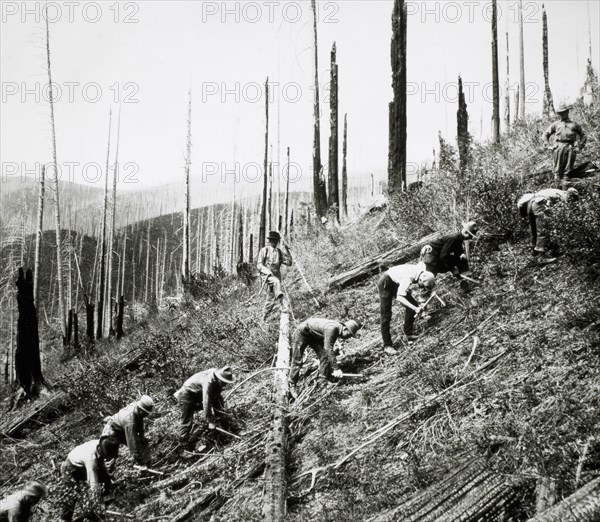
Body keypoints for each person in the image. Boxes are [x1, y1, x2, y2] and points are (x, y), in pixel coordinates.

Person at [288, 318, 360, 396]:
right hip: (302, 333)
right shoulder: (332, 329)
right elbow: (329, 349)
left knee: (324, 356)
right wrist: (336, 369)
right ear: (345, 329)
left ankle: (322, 379)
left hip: (314, 336)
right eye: (349, 334)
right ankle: (292, 384)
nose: (348, 337)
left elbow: (328, 350)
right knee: (297, 359)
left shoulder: (337, 330)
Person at [377, 262, 435, 355]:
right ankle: (387, 346)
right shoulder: (408, 279)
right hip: (386, 283)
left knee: (412, 305)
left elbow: (422, 262)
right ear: (420, 280)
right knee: (386, 315)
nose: (420, 288)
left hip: (395, 281)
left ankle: (407, 335)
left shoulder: (421, 270)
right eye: (422, 286)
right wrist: (415, 308)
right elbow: (399, 297)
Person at [59, 436, 120, 522]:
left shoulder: (104, 443)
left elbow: (103, 464)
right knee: (72, 493)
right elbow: (93, 484)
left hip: (83, 464)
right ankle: (65, 518)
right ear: (102, 451)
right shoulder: (91, 458)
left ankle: (108, 502)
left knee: (104, 477)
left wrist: (108, 475)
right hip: (70, 468)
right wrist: (96, 502)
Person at [174, 366, 235, 449]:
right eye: (224, 382)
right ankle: (183, 447)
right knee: (187, 421)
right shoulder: (208, 382)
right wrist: (210, 420)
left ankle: (221, 426)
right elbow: (206, 402)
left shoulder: (217, 376)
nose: (225, 384)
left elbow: (216, 397)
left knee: (218, 399)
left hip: (197, 393)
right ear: (219, 378)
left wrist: (219, 415)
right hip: (186, 395)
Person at [517, 187, 579, 264]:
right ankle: (541, 257)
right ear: (571, 195)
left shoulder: (558, 191)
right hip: (539, 203)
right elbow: (562, 216)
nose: (572, 202)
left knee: (535, 229)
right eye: (573, 199)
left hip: (531, 204)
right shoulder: (564, 196)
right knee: (543, 228)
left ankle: (534, 252)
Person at [101, 395, 153, 469]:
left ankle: (148, 466)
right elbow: (133, 445)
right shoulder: (130, 421)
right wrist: (141, 463)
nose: (147, 415)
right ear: (140, 410)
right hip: (111, 430)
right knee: (110, 455)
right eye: (146, 413)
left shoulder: (138, 408)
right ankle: (106, 477)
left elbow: (140, 422)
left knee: (143, 442)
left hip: (121, 428)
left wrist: (142, 437)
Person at [543, 102, 587, 188]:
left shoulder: (574, 124)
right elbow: (545, 134)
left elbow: (583, 135)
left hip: (570, 148)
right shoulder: (556, 124)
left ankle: (566, 192)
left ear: (567, 112)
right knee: (557, 172)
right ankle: (556, 191)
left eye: (564, 112)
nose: (562, 114)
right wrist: (549, 146)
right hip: (558, 147)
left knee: (567, 172)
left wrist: (579, 147)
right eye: (560, 113)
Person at [257, 230, 292, 321]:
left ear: (277, 241)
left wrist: (287, 251)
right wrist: (267, 271)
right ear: (269, 241)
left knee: (270, 297)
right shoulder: (264, 250)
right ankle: (281, 303)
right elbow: (259, 265)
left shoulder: (279, 252)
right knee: (276, 285)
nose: (274, 242)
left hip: (277, 276)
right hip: (267, 276)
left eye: (276, 240)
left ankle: (264, 318)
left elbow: (289, 263)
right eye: (272, 240)